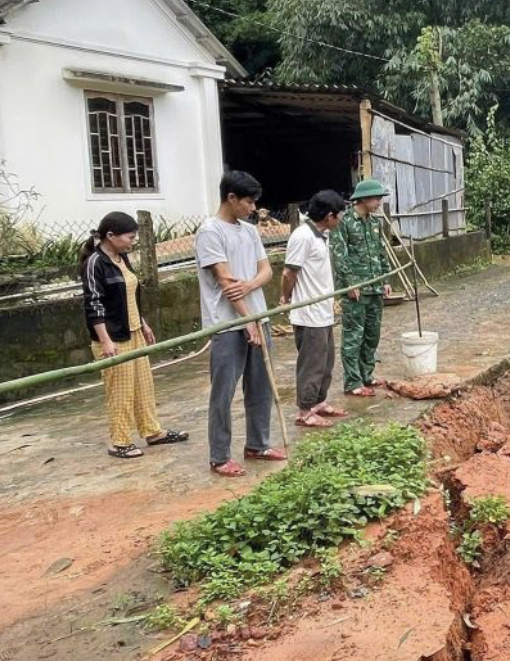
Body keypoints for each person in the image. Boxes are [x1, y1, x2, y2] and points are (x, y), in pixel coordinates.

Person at [195, 171, 286, 477]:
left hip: (257, 317)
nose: (252, 207)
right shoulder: (210, 231)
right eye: (248, 202)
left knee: (261, 387)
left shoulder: (249, 231)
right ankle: (219, 456)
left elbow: (266, 271)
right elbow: (225, 281)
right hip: (228, 325)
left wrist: (250, 288)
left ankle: (257, 444)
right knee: (223, 392)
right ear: (231, 198)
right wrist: (246, 320)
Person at [80, 212, 189, 459]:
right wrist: (105, 340)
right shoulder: (95, 263)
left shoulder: (121, 257)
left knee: (143, 385)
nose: (132, 242)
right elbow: (94, 305)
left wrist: (142, 323)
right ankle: (119, 442)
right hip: (113, 338)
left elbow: (128, 295)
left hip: (134, 331)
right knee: (120, 390)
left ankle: (152, 432)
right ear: (110, 236)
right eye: (129, 237)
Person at [280, 190, 349, 428]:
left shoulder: (322, 235)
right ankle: (304, 410)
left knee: (326, 361)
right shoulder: (302, 236)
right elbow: (289, 272)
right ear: (329, 216)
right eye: (340, 216)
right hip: (308, 314)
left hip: (323, 311)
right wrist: (286, 297)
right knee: (311, 363)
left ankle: (319, 402)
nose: (341, 220)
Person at [330, 178, 393, 397]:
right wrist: (349, 283)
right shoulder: (344, 222)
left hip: (375, 286)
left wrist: (386, 280)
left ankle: (367, 374)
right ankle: (353, 381)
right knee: (353, 335)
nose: (378, 202)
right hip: (356, 289)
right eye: (376, 198)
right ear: (363, 199)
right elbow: (339, 254)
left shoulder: (374, 223)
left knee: (372, 334)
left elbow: (381, 252)